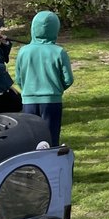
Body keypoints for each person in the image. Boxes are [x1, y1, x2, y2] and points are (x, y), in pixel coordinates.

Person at [14, 10, 74, 146]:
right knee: (50, 137)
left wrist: (27, 89)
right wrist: (57, 89)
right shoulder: (59, 52)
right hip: (52, 101)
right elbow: (68, 79)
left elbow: (18, 78)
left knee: (30, 138)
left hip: (28, 100)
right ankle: (50, 163)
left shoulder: (23, 51)